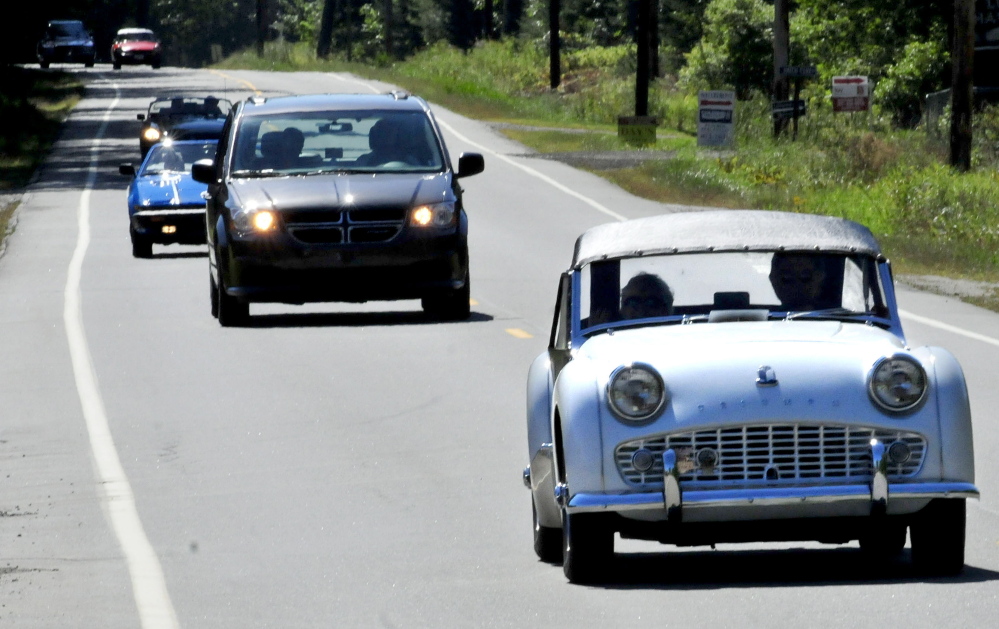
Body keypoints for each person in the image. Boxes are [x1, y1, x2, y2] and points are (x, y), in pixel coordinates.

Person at [769, 252, 834, 311]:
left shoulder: (836, 318)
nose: (796, 286)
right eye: (786, 277)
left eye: (805, 277)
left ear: (820, 277)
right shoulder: (763, 321)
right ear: (773, 280)